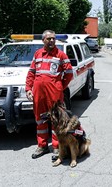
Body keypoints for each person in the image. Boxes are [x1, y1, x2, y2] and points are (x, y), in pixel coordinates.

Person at [26, 30, 73, 159]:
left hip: (54, 94)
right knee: (40, 119)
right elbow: (31, 73)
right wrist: (28, 88)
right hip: (39, 94)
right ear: (43, 40)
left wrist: (59, 87)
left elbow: (69, 73)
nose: (52, 41)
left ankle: (57, 147)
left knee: (56, 120)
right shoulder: (38, 54)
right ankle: (42, 146)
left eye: (53, 38)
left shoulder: (61, 55)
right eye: (49, 39)